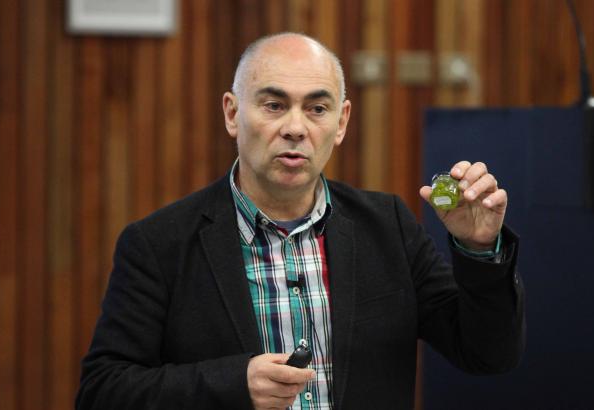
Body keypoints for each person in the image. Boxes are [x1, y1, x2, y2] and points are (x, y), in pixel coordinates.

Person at [76, 32, 524, 410]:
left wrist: (479, 251)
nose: (296, 127)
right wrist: (234, 384)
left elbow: (488, 355)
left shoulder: (389, 227)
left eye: (317, 108)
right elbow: (103, 391)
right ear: (233, 114)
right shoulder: (158, 244)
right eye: (273, 105)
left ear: (341, 122)